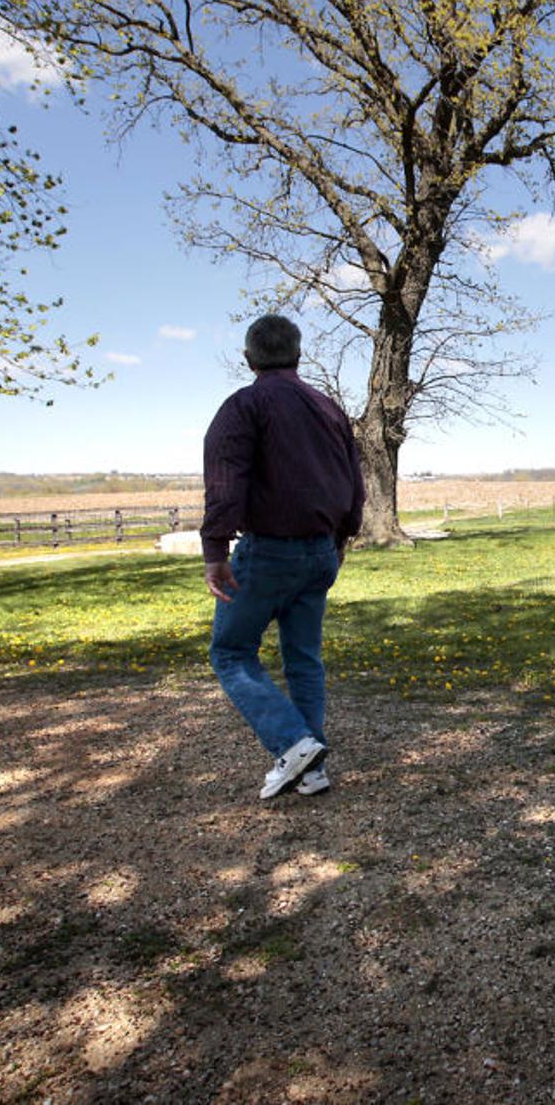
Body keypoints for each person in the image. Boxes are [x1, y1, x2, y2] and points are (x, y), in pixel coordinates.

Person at [201, 314, 365, 800]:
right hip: (320, 551)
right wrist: (341, 539)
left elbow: (225, 483)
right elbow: (354, 483)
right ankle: (311, 768)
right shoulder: (328, 408)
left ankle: (294, 744)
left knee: (230, 652)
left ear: (249, 357)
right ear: (298, 353)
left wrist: (215, 551)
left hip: (269, 549)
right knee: (303, 658)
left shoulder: (244, 405)